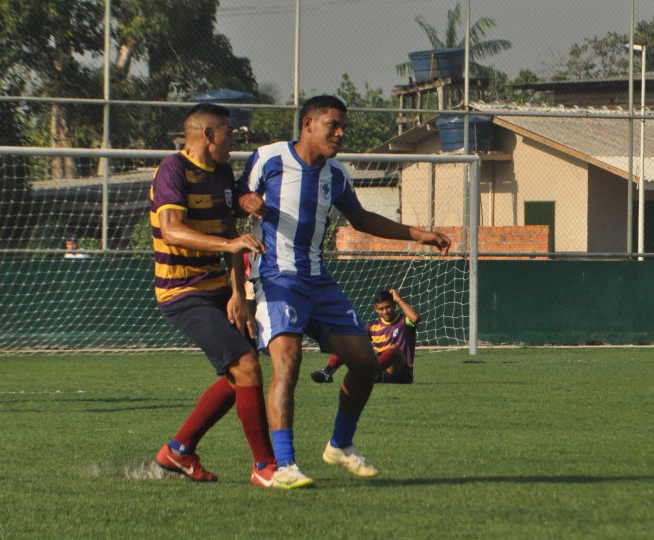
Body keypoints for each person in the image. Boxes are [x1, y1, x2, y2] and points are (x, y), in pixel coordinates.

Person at [236, 95, 451, 487]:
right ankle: (284, 466)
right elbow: (233, 198)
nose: (340, 133)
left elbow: (361, 217)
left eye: (343, 127)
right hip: (277, 278)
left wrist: (417, 234)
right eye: (332, 125)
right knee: (288, 363)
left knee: (366, 363)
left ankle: (340, 445)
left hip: (320, 281)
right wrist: (244, 200)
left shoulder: (336, 174)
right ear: (307, 125)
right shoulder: (268, 158)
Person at [150, 103, 283, 489]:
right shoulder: (172, 170)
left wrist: (238, 293)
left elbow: (231, 237)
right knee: (246, 366)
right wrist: (228, 244)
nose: (233, 140)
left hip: (220, 289)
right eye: (229, 132)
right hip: (181, 291)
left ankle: (179, 449)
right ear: (208, 135)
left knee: (239, 377)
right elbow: (172, 230)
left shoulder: (223, 172)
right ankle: (265, 466)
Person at [311, 288, 418, 385]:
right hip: (382, 373)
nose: (385, 311)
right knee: (350, 343)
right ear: (375, 309)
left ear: (394, 305)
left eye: (388, 307)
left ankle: (370, 372)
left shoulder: (404, 320)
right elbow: (355, 342)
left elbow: (415, 318)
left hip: (402, 373)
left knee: (394, 349)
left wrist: (399, 299)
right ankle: (328, 372)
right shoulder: (372, 326)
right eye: (381, 309)